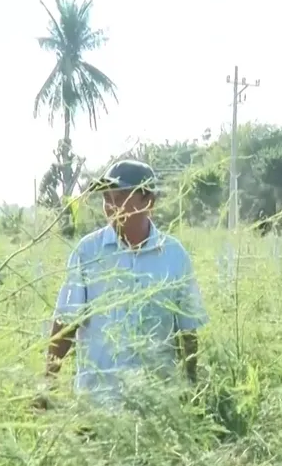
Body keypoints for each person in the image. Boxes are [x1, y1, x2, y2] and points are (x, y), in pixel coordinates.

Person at [45, 159, 208, 404]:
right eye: (106, 198)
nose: (111, 207)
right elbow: (66, 322)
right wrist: (47, 384)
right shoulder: (88, 253)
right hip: (98, 402)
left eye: (120, 198)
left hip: (158, 403)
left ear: (148, 201)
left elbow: (188, 329)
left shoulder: (174, 255)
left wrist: (190, 386)